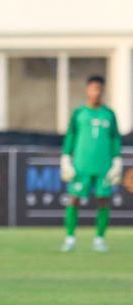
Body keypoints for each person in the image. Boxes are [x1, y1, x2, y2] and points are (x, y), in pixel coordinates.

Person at [60, 75, 123, 252]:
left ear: (103, 91)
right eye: (93, 88)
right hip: (82, 165)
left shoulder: (109, 114)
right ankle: (70, 237)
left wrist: (117, 160)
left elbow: (115, 138)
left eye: (99, 88)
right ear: (87, 90)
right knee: (74, 198)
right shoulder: (79, 113)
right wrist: (66, 157)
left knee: (103, 200)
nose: (96, 92)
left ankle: (100, 239)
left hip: (103, 165)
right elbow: (71, 135)